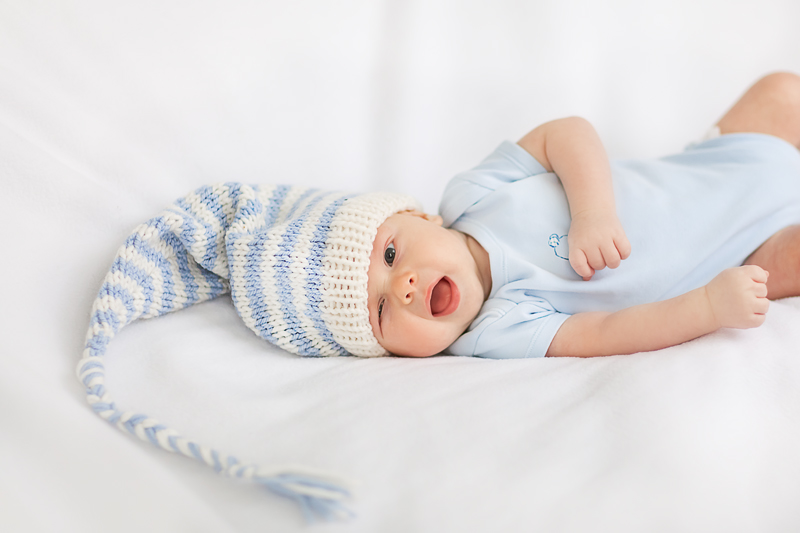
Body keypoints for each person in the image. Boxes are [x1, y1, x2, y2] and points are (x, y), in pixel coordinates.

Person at [365, 72, 800, 359]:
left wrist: (593, 213)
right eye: (380, 311)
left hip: (715, 163)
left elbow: (564, 132)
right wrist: (707, 306)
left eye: (389, 254)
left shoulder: (473, 197)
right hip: (744, 255)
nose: (402, 286)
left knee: (781, 92)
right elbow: (607, 332)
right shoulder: (497, 330)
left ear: (420, 217)